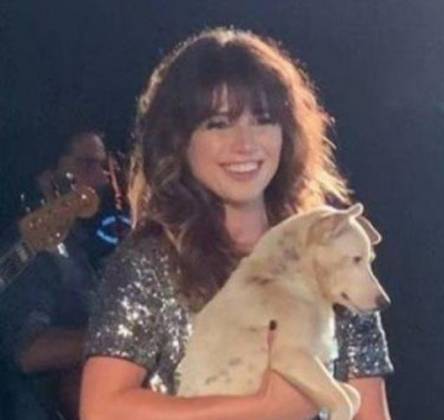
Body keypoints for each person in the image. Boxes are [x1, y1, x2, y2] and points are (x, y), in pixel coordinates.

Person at [81, 27, 394, 420]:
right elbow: (103, 408)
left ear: (286, 134)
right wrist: (264, 408)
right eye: (218, 124)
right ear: (179, 140)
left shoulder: (334, 253)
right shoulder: (151, 262)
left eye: (263, 120)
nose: (245, 144)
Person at [0, 130, 114, 420]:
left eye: (102, 166)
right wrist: (120, 339)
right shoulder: (31, 248)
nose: (102, 179)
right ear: (48, 178)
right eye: (88, 164)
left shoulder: (68, 245)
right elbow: (29, 351)